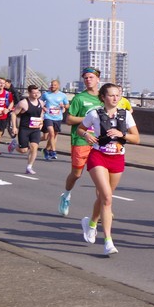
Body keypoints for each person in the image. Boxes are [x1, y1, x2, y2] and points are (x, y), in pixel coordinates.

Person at [75, 83, 139, 256]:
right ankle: (108, 241)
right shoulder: (94, 114)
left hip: (117, 158)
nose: (115, 98)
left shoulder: (125, 115)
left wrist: (122, 134)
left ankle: (91, 223)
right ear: (103, 97)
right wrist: (87, 135)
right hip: (98, 156)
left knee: (104, 197)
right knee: (107, 198)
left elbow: (136, 138)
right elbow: (80, 129)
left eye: (118, 95)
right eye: (111, 95)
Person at [58, 68, 102, 215]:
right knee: (76, 174)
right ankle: (66, 195)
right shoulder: (79, 98)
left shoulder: (103, 98)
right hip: (81, 140)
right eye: (85, 78)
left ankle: (102, 208)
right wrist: (90, 119)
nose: (88, 80)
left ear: (98, 79)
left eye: (91, 77)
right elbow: (69, 119)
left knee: (100, 177)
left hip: (99, 142)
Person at [11, 84, 45, 175]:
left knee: (34, 147)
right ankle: (14, 146)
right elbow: (14, 114)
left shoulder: (41, 102)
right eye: (34, 93)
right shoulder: (23, 103)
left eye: (37, 92)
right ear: (29, 93)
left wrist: (41, 121)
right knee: (24, 150)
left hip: (35, 129)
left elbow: (41, 113)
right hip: (25, 129)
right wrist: (14, 127)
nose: (36, 94)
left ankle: (29, 167)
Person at [40, 79, 70, 161]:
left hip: (58, 117)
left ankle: (46, 149)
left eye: (54, 85)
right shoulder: (46, 94)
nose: (52, 86)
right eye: (52, 85)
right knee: (51, 133)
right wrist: (43, 107)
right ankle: (53, 151)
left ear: (58, 86)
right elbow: (39, 102)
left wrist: (63, 106)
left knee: (54, 135)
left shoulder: (62, 95)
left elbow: (67, 105)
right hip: (48, 116)